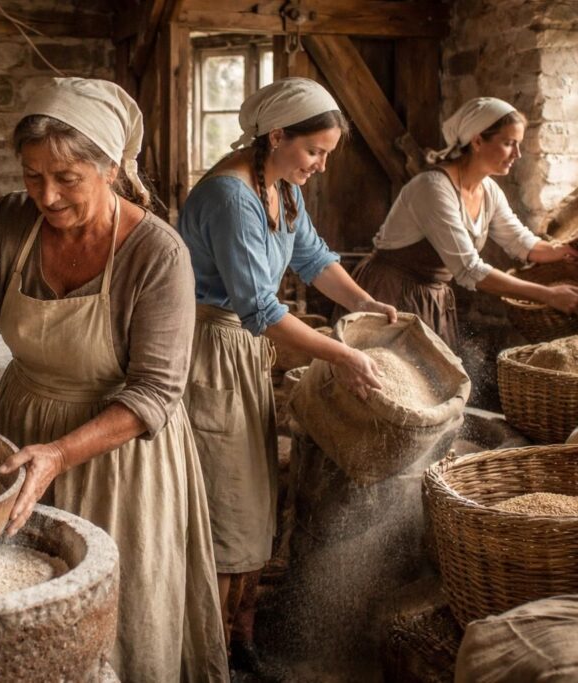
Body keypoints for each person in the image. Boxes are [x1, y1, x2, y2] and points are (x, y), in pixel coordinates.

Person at [0, 77, 228, 682]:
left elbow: (154, 393)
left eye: (67, 179)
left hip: (118, 455)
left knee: (114, 617)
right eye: (33, 176)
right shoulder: (12, 221)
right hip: (20, 430)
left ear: (110, 168)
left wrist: (59, 454)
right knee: (19, 608)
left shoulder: (157, 254)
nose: (47, 196)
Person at [176, 77, 397, 676]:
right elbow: (262, 309)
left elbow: (314, 259)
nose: (321, 166)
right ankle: (206, 649)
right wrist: (343, 355)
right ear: (277, 136)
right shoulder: (230, 196)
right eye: (314, 151)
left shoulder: (277, 183)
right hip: (209, 352)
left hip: (243, 349)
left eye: (327, 154)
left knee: (255, 494)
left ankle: (239, 630)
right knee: (227, 500)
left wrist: (364, 306)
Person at [346, 96, 578, 348]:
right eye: (508, 143)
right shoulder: (433, 188)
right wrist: (547, 295)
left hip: (431, 296)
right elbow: (469, 269)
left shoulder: (489, 191)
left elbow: (519, 241)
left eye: (518, 145)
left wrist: (559, 252)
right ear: (477, 140)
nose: (517, 153)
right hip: (391, 292)